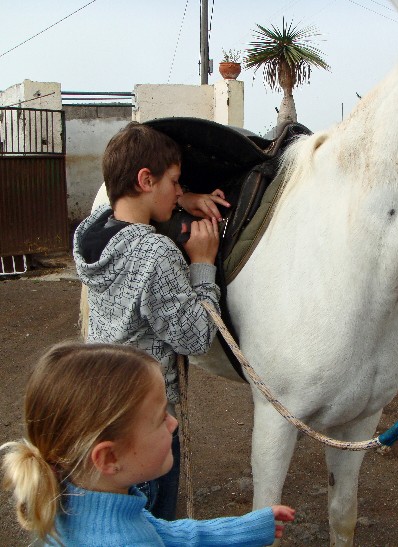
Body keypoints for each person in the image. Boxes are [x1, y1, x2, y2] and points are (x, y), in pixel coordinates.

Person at [72, 121, 230, 519]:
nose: (179, 191)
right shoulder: (156, 255)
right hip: (144, 421)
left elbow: (124, 214)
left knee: (110, 517)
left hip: (102, 407)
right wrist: (203, 265)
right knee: (151, 524)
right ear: (146, 179)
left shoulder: (89, 233)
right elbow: (196, 337)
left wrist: (183, 199)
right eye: (175, 182)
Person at [0, 342, 296, 546]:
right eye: (160, 419)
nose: (174, 423)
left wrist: (248, 528)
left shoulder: (72, 498)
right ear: (108, 457)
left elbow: (164, 533)